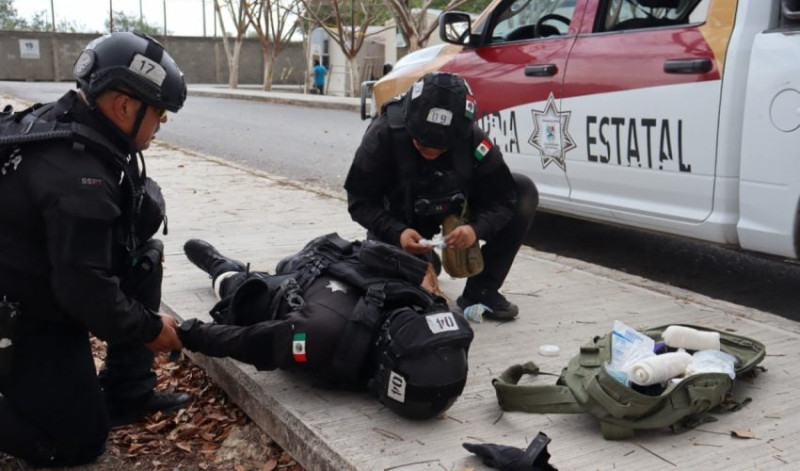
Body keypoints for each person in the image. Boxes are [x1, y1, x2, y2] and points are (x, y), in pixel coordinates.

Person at [0, 32, 188, 467]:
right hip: (21, 312)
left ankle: (127, 392)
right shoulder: (76, 178)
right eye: (159, 111)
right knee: (77, 442)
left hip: (39, 284)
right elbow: (84, 290)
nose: (162, 123)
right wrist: (148, 328)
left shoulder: (69, 122)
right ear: (124, 106)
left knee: (143, 258)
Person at [179, 235, 474, 420]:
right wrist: (421, 272)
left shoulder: (319, 338)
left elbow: (245, 340)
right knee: (283, 266)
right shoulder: (422, 303)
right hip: (326, 258)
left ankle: (221, 268)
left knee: (242, 291)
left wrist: (187, 334)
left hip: (295, 286)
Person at [344, 72, 538, 321]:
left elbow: (505, 199)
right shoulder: (383, 135)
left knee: (523, 192)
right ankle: (421, 259)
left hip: (455, 204)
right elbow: (359, 201)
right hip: (400, 217)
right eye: (422, 143)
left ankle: (482, 290)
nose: (431, 152)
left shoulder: (472, 138)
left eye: (441, 147)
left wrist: (475, 230)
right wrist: (396, 232)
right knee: (405, 299)